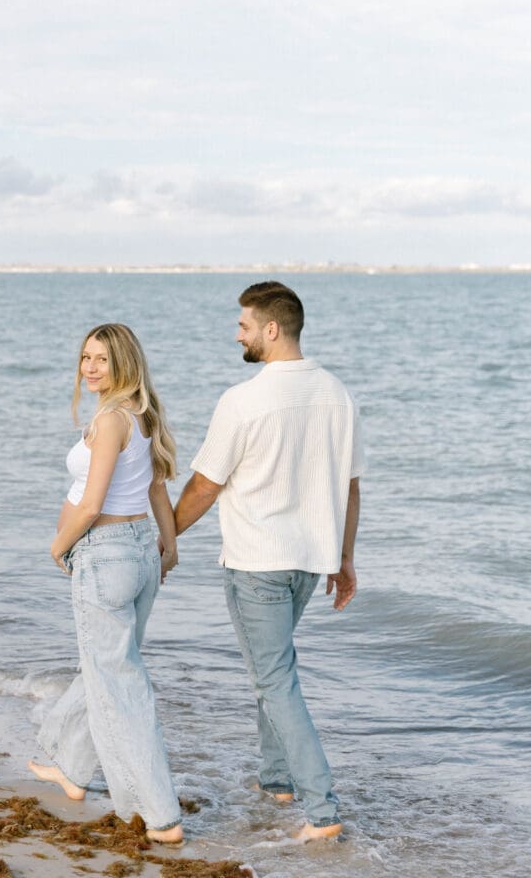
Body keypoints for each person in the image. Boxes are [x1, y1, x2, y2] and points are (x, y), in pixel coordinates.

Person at [174, 281, 365, 843]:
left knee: (275, 680)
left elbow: (204, 486)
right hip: (308, 563)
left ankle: (321, 811)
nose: (238, 335)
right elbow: (350, 488)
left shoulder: (243, 400)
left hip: (258, 562)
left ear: (272, 329)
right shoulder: (338, 395)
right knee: (275, 672)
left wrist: (164, 538)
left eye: (244, 325)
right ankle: (277, 781)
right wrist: (344, 558)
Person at [29, 323, 183, 846]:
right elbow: (157, 488)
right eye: (86, 357)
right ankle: (72, 768)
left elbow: (92, 504)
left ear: (124, 363)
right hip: (138, 551)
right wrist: (169, 547)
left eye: (103, 359)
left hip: (107, 554)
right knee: (107, 669)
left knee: (121, 685)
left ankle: (161, 816)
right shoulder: (142, 413)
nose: (90, 368)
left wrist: (57, 546)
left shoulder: (112, 419)